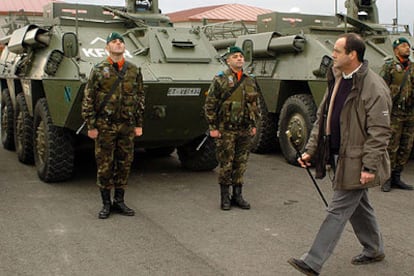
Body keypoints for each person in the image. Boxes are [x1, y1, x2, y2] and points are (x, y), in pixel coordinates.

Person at [288, 33, 391, 275]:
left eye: (337, 50)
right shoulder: (337, 78)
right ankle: (374, 248)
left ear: (352, 55)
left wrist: (369, 167)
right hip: (338, 156)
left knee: (337, 209)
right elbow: (322, 119)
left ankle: (312, 261)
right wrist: (310, 151)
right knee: (359, 206)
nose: (332, 54)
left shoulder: (373, 86)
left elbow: (380, 131)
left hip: (357, 160)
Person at [82, 32, 145, 219]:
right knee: (105, 164)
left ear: (124, 47)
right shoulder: (99, 69)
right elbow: (89, 98)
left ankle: (119, 200)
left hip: (127, 125)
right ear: (107, 47)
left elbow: (140, 97)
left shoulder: (133, 70)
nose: (118, 44)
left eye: (121, 42)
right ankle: (106, 203)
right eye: (114, 42)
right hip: (104, 126)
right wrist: (91, 125)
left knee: (124, 163)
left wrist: (139, 123)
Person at [204, 46, 260, 211]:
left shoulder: (250, 80)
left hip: (244, 128)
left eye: (241, 56)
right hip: (226, 129)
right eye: (235, 56)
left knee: (241, 162)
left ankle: (238, 195)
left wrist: (254, 124)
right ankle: (224, 197)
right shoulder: (220, 79)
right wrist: (213, 127)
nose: (239, 59)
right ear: (228, 60)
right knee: (226, 163)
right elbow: (210, 105)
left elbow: (254, 105)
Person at [380, 37, 414, 192]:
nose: (407, 48)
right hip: (394, 113)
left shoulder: (412, 67)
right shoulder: (390, 67)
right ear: (395, 50)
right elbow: (381, 89)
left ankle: (397, 177)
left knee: (406, 146)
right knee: (391, 145)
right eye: (403, 46)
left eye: (408, 46)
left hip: (410, 113)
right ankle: (386, 178)